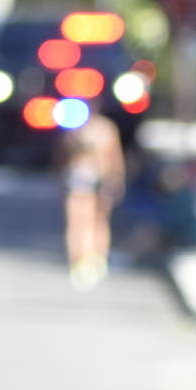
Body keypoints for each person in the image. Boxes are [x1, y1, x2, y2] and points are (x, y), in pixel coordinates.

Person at [59, 111, 125, 291]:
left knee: (98, 220)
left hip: (101, 178)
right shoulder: (73, 129)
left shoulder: (107, 129)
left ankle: (97, 259)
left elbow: (114, 157)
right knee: (78, 221)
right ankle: (79, 261)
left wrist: (116, 179)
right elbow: (62, 156)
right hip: (79, 179)